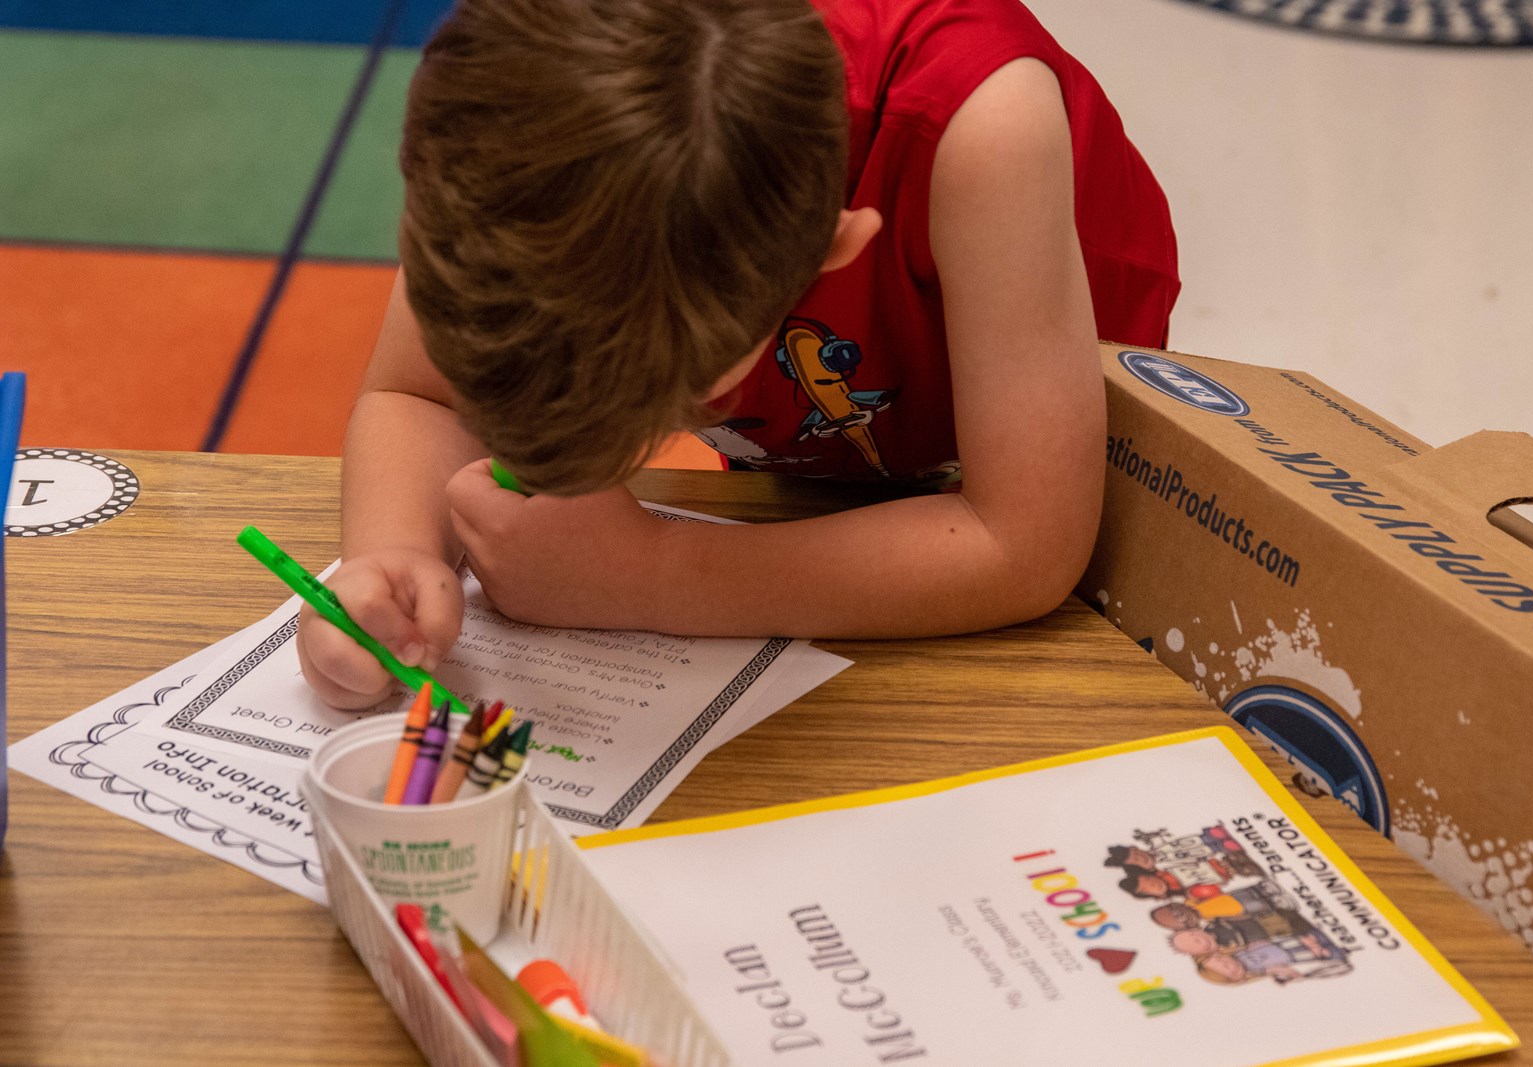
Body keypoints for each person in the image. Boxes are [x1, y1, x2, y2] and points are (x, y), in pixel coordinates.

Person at [298, 0, 1179, 709]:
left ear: (830, 255)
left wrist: (646, 574)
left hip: (1008, 396)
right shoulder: (527, 112)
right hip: (803, 470)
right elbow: (420, 395)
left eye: (683, 404)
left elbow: (1022, 542)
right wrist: (392, 554)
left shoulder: (983, 123)